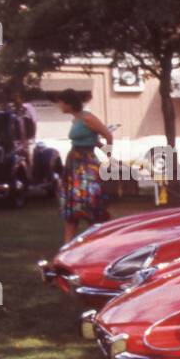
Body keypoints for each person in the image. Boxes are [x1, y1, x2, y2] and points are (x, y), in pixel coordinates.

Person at [55, 88, 113, 244]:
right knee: (72, 207)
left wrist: (109, 157)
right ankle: (66, 247)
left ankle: (101, 242)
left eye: (60, 102)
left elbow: (108, 135)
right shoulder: (76, 119)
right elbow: (93, 140)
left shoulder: (88, 118)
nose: (59, 105)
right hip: (74, 163)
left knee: (89, 204)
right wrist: (100, 146)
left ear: (68, 103)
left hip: (86, 164)